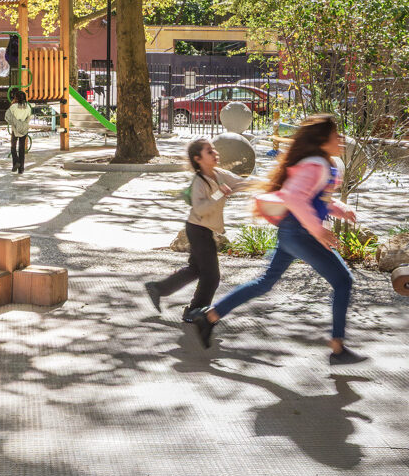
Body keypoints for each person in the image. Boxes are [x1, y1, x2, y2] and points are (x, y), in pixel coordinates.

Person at [187, 114, 363, 364]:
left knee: (265, 282)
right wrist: (318, 230)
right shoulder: (315, 165)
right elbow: (294, 197)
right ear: (323, 140)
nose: (341, 139)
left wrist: (340, 209)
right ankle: (338, 347)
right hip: (300, 233)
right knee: (343, 280)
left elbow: (314, 198)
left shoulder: (322, 163)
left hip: (293, 232)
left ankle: (209, 317)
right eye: (336, 135)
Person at [145, 138, 244, 319]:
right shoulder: (199, 181)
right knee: (211, 276)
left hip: (203, 230)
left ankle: (158, 288)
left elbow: (240, 182)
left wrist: (270, 183)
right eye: (209, 151)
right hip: (198, 230)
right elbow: (200, 209)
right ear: (198, 159)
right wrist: (219, 193)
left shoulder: (219, 174)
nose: (215, 153)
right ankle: (194, 310)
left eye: (214, 150)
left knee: (195, 269)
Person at [4, 88, 32, 173]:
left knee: (13, 147)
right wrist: (23, 124)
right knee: (21, 148)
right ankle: (21, 169)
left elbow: (7, 117)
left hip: (15, 129)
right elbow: (29, 117)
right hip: (24, 128)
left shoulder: (13, 107)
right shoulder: (28, 107)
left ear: (16, 97)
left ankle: (16, 162)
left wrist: (15, 122)